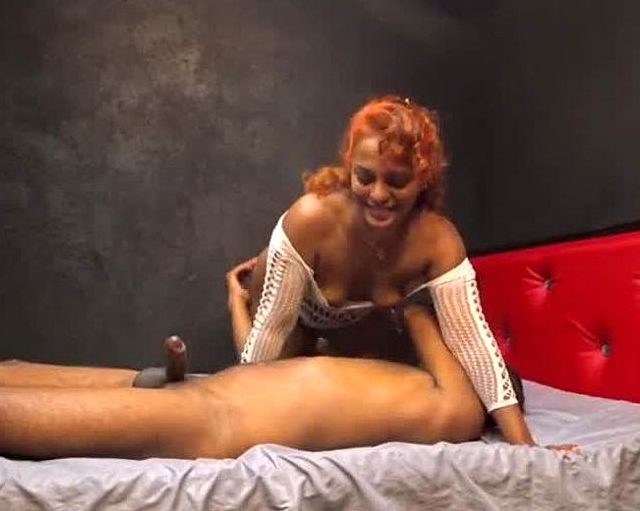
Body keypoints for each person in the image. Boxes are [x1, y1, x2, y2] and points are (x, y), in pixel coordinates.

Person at [0, 306, 510, 465]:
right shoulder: (375, 369)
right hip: (202, 389)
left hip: (208, 424)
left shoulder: (446, 405)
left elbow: (449, 353)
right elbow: (268, 358)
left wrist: (419, 301)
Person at [229, 94, 537, 446]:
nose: (377, 194)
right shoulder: (310, 218)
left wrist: (527, 447)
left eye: (396, 181)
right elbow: (270, 332)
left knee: (359, 373)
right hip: (292, 313)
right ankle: (236, 298)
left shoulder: (438, 240)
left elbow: (473, 343)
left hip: (356, 323)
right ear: (349, 166)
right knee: (273, 381)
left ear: (423, 178)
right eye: (364, 177)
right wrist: (238, 419)